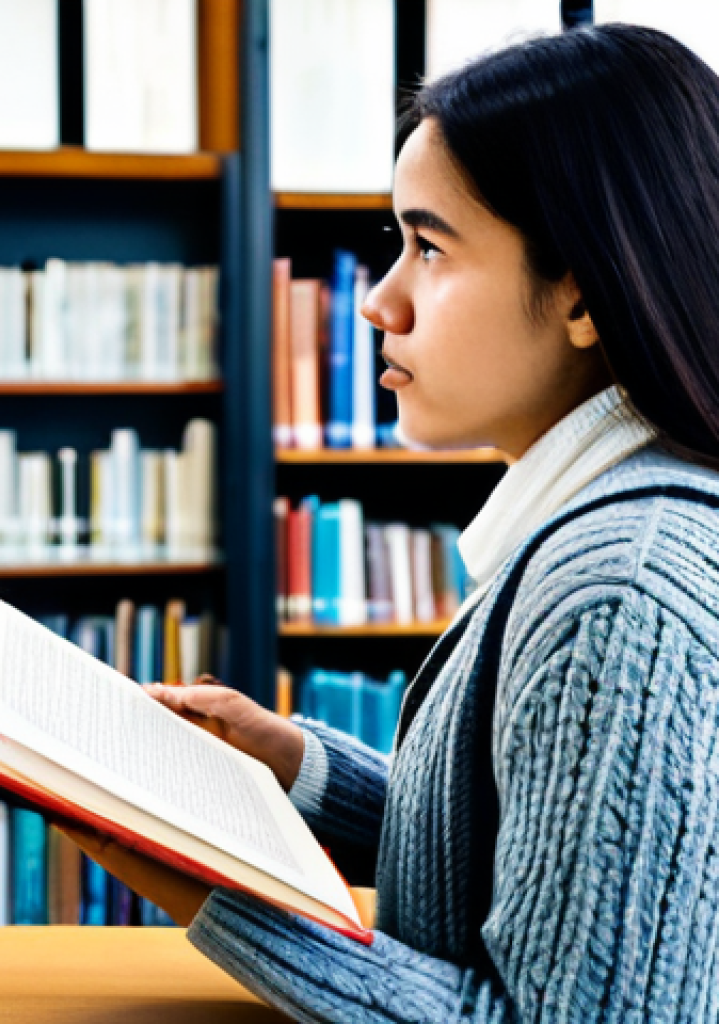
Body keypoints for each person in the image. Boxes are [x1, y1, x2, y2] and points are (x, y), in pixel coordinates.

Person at [63, 24, 719, 1022]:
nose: (378, 301)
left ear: (580, 291)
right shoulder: (610, 528)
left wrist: (219, 898)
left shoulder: (615, 592)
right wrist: (296, 770)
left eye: (429, 247)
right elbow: (550, 858)